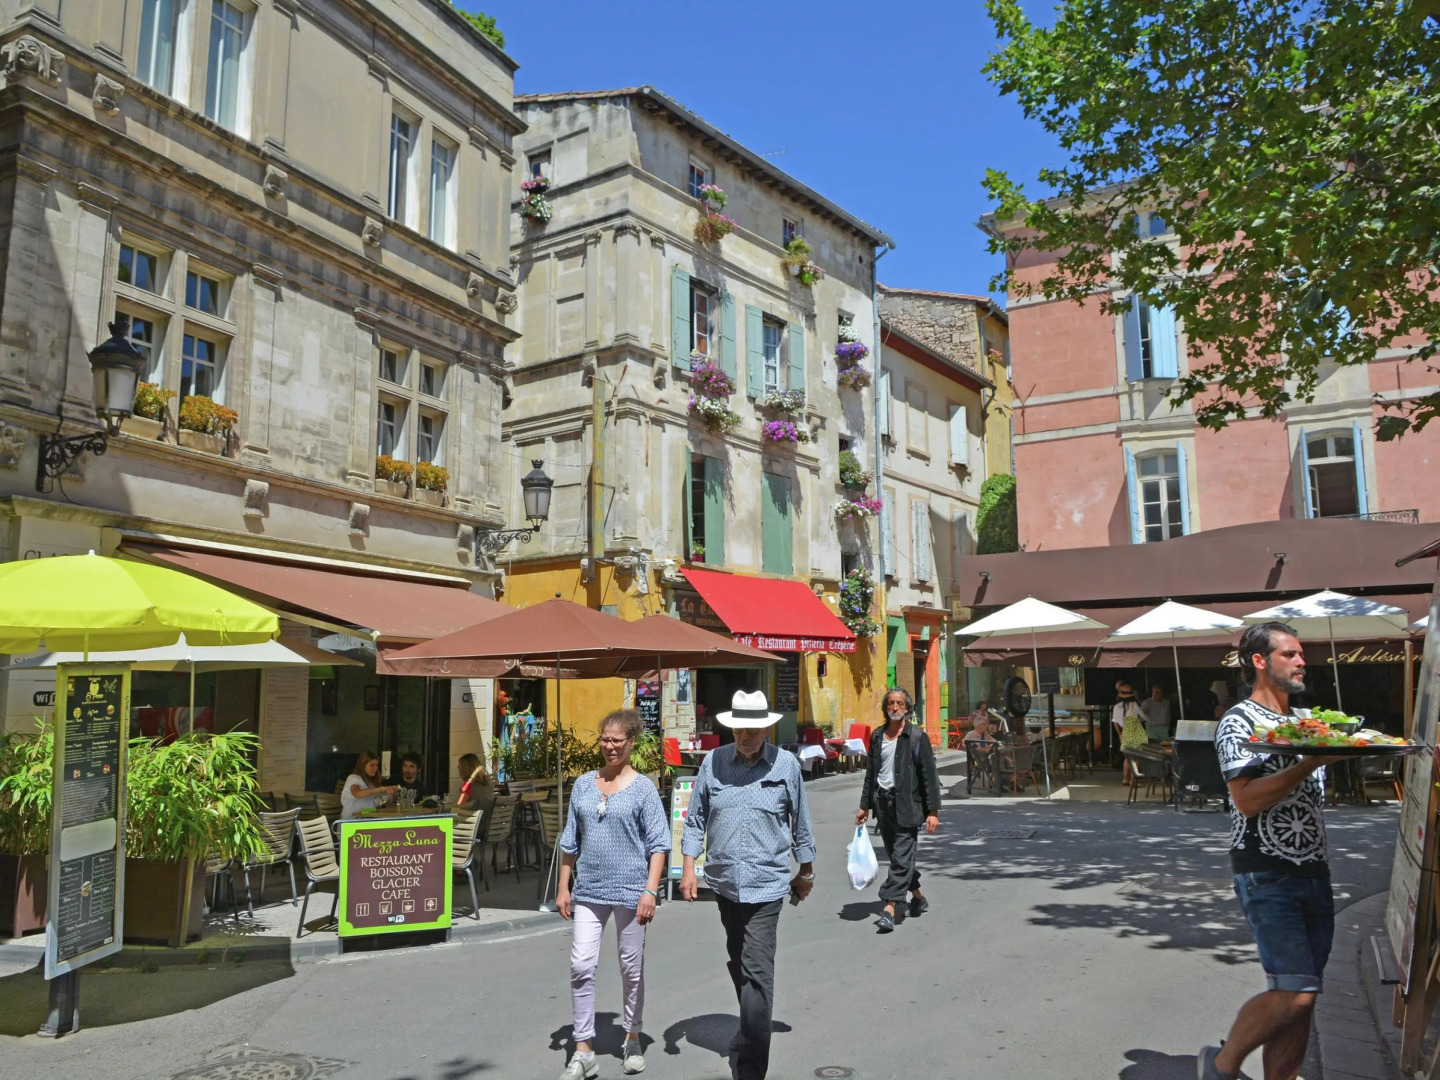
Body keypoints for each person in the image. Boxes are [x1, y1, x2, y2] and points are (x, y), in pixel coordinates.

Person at [1198, 622, 1339, 1080]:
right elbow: (1246, 799)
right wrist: (1309, 764)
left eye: (1301, 654)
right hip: (1266, 870)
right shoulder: (1239, 722)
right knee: (1295, 990)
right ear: (1259, 661)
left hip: (1314, 869)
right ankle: (1221, 1065)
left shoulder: (1306, 723)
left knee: (1305, 994)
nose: (1301, 662)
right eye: (1289, 654)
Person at [681, 690, 815, 1080]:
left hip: (767, 885)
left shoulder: (785, 765)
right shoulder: (714, 762)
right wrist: (688, 867)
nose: (744, 736)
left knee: (757, 973)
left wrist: (806, 872)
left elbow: (801, 822)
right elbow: (696, 818)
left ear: (766, 730)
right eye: (738, 729)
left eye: (752, 730)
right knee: (738, 960)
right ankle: (750, 1026)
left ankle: (751, 1070)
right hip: (725, 884)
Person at [557, 710, 670, 1080]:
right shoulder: (583, 785)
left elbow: (659, 844)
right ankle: (583, 1049)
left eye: (616, 740)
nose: (609, 746)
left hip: (632, 890)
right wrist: (563, 886)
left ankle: (632, 1036)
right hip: (589, 889)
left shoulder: (644, 789)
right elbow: (570, 840)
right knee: (581, 965)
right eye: (604, 739)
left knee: (630, 968)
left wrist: (650, 891)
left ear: (631, 743)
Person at [857, 688, 942, 932]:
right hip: (883, 806)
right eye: (891, 703)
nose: (895, 707)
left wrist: (933, 812)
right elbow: (871, 774)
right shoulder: (877, 736)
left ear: (907, 709)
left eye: (900, 703)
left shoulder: (916, 737)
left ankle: (889, 907)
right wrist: (864, 806)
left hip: (908, 808)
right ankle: (918, 897)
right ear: (886, 708)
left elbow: (929, 777)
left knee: (901, 859)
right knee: (898, 859)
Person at [340, 751, 395, 817]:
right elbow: (357, 793)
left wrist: (388, 795)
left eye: (377, 765)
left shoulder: (370, 782)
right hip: (351, 819)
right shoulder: (353, 778)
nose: (375, 768)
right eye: (372, 765)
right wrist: (380, 789)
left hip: (366, 818)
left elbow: (372, 803)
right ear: (363, 765)